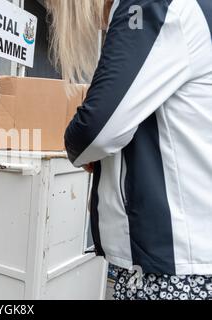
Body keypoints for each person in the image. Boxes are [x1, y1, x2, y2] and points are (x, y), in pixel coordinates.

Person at [48, 0, 212, 300]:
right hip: (183, 253)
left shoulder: (147, 5)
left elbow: (94, 130)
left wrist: (78, 146)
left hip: (171, 264)